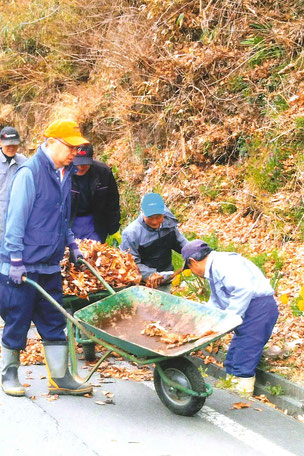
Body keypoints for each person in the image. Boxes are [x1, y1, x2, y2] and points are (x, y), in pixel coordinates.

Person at [0, 119, 92, 397]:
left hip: (49, 263)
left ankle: (60, 377)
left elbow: (61, 216)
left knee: (54, 320)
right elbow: (14, 220)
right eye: (70, 147)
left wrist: (72, 244)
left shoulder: (64, 173)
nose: (75, 153)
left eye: (77, 148)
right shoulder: (29, 172)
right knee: (17, 318)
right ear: (51, 143)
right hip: (22, 265)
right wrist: (15, 259)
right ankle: (10, 374)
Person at [181, 239, 279, 396]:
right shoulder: (215, 267)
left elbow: (244, 289)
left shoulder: (223, 264)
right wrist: (200, 316)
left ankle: (241, 398)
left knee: (244, 356)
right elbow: (217, 300)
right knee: (233, 358)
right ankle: (231, 391)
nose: (192, 271)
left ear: (192, 261)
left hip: (258, 308)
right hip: (250, 309)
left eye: (189, 267)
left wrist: (230, 318)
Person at [120, 192, 188, 289]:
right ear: (142, 212)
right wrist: (150, 274)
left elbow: (180, 242)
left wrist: (192, 251)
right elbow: (131, 264)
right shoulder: (131, 234)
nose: (155, 221)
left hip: (167, 275)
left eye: (158, 217)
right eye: (150, 218)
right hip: (143, 282)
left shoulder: (168, 221)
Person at [70, 144, 120, 243]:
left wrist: (113, 230)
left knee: (92, 253)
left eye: (85, 163)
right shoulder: (61, 173)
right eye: (78, 164)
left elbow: (112, 202)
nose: (81, 167)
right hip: (71, 221)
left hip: (94, 221)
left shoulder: (103, 172)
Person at [0, 126, 27, 241]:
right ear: (0, 142)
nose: (11, 147)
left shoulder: (24, 161)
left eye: (14, 144)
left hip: (18, 218)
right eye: (8, 144)